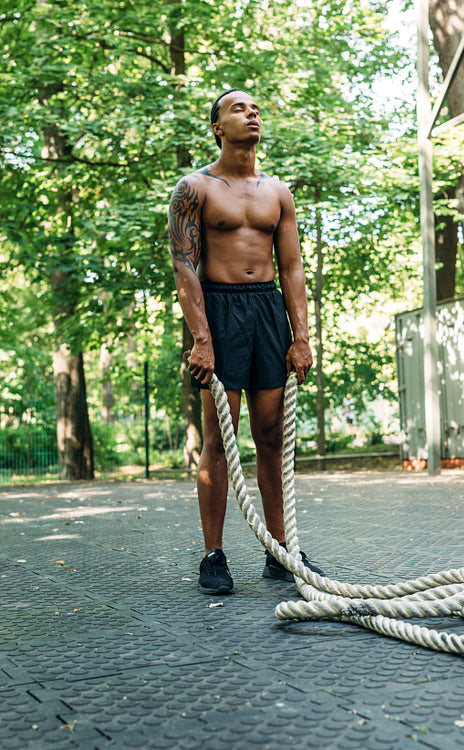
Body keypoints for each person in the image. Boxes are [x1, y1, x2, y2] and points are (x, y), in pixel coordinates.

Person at [169, 88, 324, 594]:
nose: (252, 113)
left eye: (256, 108)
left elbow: (293, 267)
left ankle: (280, 553)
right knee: (220, 439)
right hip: (217, 309)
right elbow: (184, 265)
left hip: (266, 310)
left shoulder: (277, 192)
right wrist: (200, 338)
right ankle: (213, 556)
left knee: (273, 438)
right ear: (217, 125)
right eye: (239, 108)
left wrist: (301, 336)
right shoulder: (194, 188)